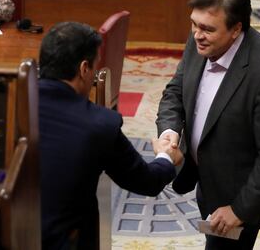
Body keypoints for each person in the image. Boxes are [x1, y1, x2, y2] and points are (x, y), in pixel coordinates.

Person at [156, 0, 260, 249]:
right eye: (194, 24)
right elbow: (175, 92)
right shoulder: (199, 39)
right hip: (207, 178)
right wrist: (169, 132)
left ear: (236, 29)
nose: (197, 35)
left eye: (207, 29)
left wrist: (238, 210)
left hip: (239, 194)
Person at [38, 22, 183, 250]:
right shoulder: (99, 124)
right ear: (84, 68)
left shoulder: (10, 105)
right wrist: (166, 157)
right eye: (95, 67)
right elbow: (146, 181)